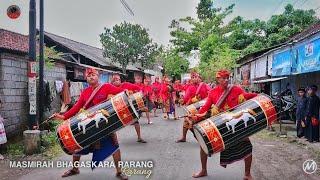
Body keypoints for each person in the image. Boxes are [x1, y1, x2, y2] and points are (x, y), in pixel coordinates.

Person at [52, 68, 128, 179]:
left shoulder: (107, 87)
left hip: (104, 124)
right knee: (77, 144)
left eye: (93, 75)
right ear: (86, 78)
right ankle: (75, 169)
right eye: (89, 76)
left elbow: (120, 92)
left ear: (98, 76)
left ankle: (119, 171)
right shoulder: (85, 92)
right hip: (88, 124)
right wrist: (63, 116)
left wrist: (126, 92)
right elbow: (76, 108)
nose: (91, 77)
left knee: (114, 146)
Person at [191, 70, 257, 179]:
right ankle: (203, 170)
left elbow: (246, 96)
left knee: (247, 145)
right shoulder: (212, 92)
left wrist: (259, 96)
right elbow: (205, 108)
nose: (226, 80)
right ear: (218, 79)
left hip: (235, 123)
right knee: (203, 145)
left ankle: (247, 174)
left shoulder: (236, 89)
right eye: (223, 78)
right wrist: (196, 116)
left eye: (227, 78)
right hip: (220, 125)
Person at [111, 73, 147, 143]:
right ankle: (115, 141)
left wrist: (138, 98)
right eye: (114, 80)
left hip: (130, 106)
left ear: (120, 80)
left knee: (136, 121)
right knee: (113, 124)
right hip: (118, 109)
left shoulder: (126, 84)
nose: (116, 81)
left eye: (117, 79)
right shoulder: (111, 87)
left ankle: (139, 137)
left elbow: (138, 89)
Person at [176, 72, 210, 143]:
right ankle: (184, 137)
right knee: (187, 122)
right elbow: (186, 98)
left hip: (203, 107)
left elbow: (210, 94)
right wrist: (183, 101)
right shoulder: (190, 87)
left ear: (199, 78)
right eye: (193, 77)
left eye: (196, 77)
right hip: (193, 108)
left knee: (198, 123)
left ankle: (201, 138)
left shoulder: (204, 85)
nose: (194, 79)